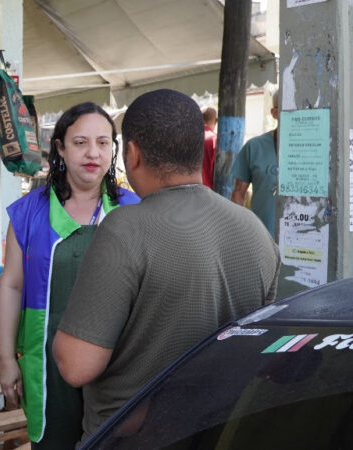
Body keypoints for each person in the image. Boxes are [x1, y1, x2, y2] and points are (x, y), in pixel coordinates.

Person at [52, 89, 281, 443]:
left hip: (132, 438)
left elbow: (76, 365)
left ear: (132, 154)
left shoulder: (124, 229)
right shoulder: (255, 230)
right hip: (220, 433)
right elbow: (259, 344)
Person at [0, 102, 139, 448]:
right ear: (59, 147)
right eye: (80, 143)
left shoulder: (134, 210)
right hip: (48, 364)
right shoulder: (28, 213)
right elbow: (12, 286)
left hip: (117, 362)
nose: (93, 153)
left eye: (103, 143)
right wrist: (5, 360)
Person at [231, 90, 279, 237]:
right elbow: (238, 194)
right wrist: (243, 231)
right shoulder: (254, 147)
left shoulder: (313, 149)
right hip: (262, 238)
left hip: (304, 242)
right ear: (274, 113)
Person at [201, 106, 217, 189]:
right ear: (216, 121)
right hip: (209, 190)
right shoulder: (215, 139)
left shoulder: (189, 137)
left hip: (188, 189)